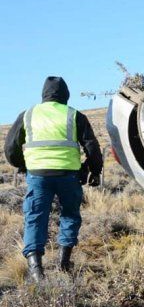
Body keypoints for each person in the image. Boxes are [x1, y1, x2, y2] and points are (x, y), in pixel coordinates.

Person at [4, 76, 103, 282]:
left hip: (38, 175)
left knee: (35, 217)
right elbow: (92, 146)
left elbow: (10, 148)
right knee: (69, 215)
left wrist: (22, 165)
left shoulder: (28, 115)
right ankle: (64, 262)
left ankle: (35, 269)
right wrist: (93, 170)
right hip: (68, 175)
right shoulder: (74, 115)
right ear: (66, 95)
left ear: (44, 94)